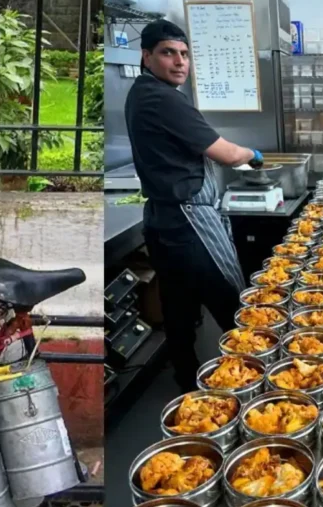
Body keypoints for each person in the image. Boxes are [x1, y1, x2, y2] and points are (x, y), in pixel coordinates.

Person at [125, 19, 265, 392]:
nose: (179, 62)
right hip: (189, 222)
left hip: (162, 220)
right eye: (168, 53)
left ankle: (187, 382)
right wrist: (253, 154)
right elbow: (225, 153)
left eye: (184, 54)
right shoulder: (163, 98)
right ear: (146, 56)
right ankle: (257, 382)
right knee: (236, 305)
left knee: (179, 310)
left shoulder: (142, 92)